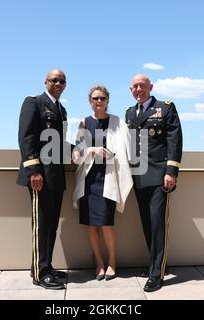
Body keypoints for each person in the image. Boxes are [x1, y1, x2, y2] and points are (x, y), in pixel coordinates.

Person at [126, 74, 183, 292]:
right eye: (135, 86)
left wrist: (171, 171)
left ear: (151, 87)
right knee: (147, 224)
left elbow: (174, 139)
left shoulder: (165, 108)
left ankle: (156, 273)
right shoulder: (130, 113)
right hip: (138, 176)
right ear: (131, 90)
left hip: (160, 176)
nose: (138, 89)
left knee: (158, 224)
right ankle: (154, 265)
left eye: (142, 85)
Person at [73, 85, 133, 281]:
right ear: (90, 101)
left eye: (102, 98)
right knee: (91, 225)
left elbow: (128, 149)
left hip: (108, 178)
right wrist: (92, 150)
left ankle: (112, 263)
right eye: (95, 98)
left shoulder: (117, 122)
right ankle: (99, 263)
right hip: (89, 180)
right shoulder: (84, 122)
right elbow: (76, 156)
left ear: (108, 100)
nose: (99, 101)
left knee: (107, 224)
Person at [17, 69, 69, 290]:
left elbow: (59, 144)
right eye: (54, 80)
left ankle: (45, 267)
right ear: (46, 82)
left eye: (62, 81)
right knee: (41, 225)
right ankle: (40, 274)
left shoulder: (61, 109)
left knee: (51, 225)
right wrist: (34, 171)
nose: (58, 83)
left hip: (56, 176)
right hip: (40, 177)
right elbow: (26, 136)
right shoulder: (34, 103)